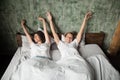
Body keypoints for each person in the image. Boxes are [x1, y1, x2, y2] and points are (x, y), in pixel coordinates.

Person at [47, 11, 94, 80]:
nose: (69, 38)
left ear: (72, 39)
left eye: (71, 37)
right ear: (64, 37)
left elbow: (80, 32)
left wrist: (85, 20)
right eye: (67, 37)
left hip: (77, 60)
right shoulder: (61, 43)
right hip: (65, 61)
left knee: (85, 74)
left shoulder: (74, 43)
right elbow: (54, 33)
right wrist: (50, 20)